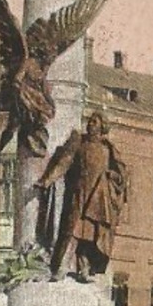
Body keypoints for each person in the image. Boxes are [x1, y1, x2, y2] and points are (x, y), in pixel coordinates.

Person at [37, 112, 127, 280]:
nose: (90, 125)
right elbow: (64, 162)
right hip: (79, 194)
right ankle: (57, 267)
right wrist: (47, 181)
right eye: (89, 122)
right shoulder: (79, 143)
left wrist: (111, 176)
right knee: (69, 229)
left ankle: (83, 268)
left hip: (97, 198)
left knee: (89, 235)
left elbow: (121, 176)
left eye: (94, 122)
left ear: (102, 127)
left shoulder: (108, 149)